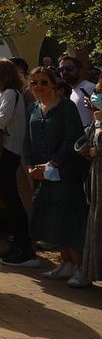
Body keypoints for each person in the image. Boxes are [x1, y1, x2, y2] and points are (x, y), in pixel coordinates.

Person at [25, 67, 89, 286]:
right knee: (53, 217)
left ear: (53, 84)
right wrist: (32, 165)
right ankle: (66, 263)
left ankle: (81, 267)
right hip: (42, 173)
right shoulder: (33, 108)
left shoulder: (66, 107)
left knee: (70, 218)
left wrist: (53, 164)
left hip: (65, 172)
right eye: (34, 83)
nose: (38, 87)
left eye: (43, 82)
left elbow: (73, 137)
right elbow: (28, 139)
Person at [0, 57, 36, 267]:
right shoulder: (2, 94)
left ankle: (25, 248)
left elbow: (0, 121)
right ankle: (17, 245)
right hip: (2, 151)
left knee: (12, 200)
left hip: (7, 151)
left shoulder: (11, 94)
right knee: (7, 199)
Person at [74, 88, 102, 288]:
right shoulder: (96, 119)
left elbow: (97, 146)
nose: (95, 96)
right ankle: (90, 271)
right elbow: (84, 145)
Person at [58, 55, 97, 128]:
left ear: (79, 69)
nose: (65, 72)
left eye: (69, 68)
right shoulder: (73, 93)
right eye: (61, 69)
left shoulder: (90, 87)